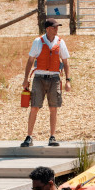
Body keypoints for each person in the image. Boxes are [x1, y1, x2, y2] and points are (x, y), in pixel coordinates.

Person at [21, 18, 71, 147]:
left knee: (53, 108)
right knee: (34, 107)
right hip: (39, 77)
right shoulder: (38, 42)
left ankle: (52, 137)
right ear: (48, 29)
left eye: (57, 27)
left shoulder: (61, 42)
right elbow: (30, 60)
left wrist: (67, 80)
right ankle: (29, 136)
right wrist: (26, 79)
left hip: (54, 78)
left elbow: (65, 62)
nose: (56, 29)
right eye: (54, 27)